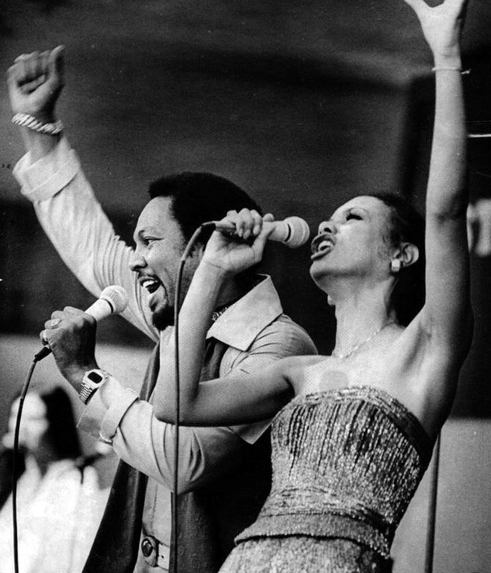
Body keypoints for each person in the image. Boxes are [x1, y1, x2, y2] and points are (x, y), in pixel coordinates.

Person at [81, 0, 472, 571]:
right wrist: (213, 267)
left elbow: (445, 210)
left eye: (353, 218)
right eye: (330, 216)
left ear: (403, 255)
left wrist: (445, 58)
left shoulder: (426, 347)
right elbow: (173, 404)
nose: (328, 225)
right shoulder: (299, 371)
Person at [7, 45, 317, 573]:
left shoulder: (279, 345)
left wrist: (85, 374)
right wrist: (39, 127)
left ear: (204, 248)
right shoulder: (174, 314)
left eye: (149, 242)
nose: (136, 260)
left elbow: (183, 462)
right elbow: (91, 246)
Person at [0, 387, 106, 573]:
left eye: (33, 419)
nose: (18, 427)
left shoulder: (77, 480)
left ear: (55, 424)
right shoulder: (20, 477)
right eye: (16, 415)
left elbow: (75, 557)